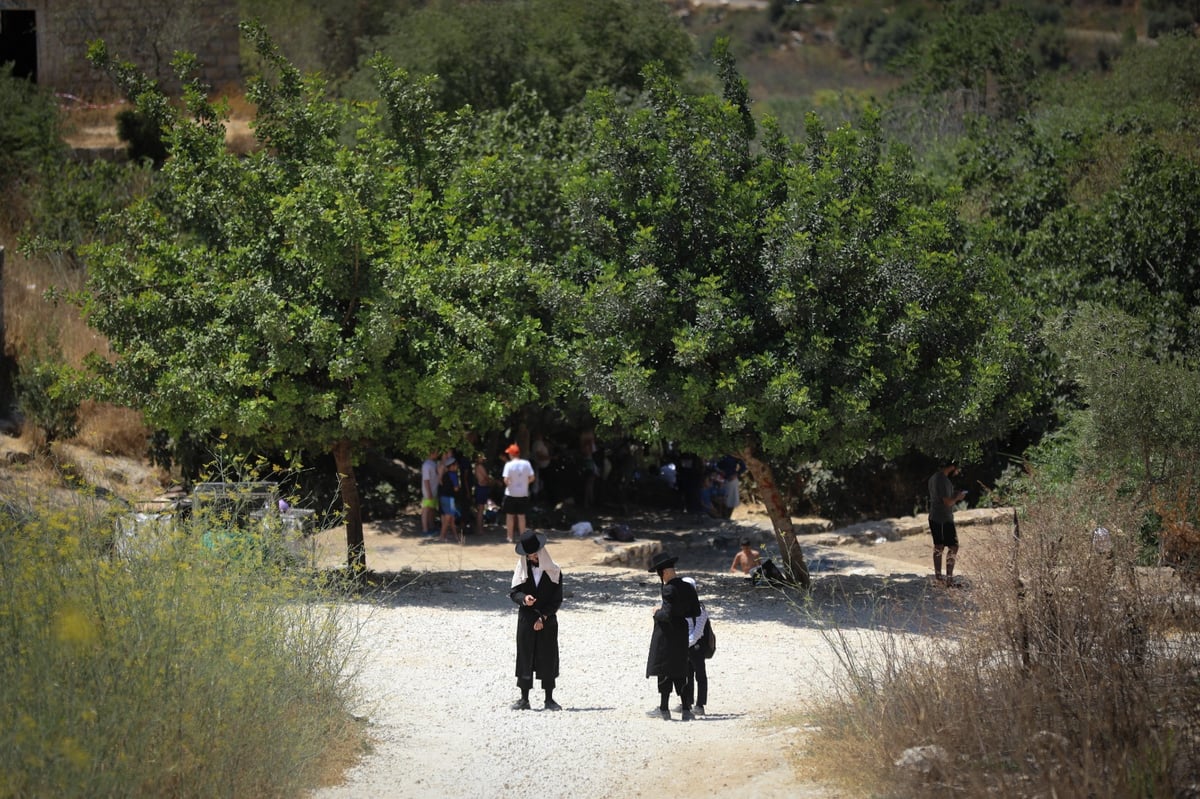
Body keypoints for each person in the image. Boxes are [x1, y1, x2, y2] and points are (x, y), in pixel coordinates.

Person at [509, 531, 563, 711]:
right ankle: (524, 699)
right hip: (526, 619)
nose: (531, 557)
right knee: (525, 656)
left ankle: (549, 699)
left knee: (548, 656)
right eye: (528, 554)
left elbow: (557, 600)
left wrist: (543, 617)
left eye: (534, 553)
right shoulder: (521, 569)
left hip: (547, 620)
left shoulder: (554, 571)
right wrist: (524, 599)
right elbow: (514, 593)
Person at [646, 551, 700, 721]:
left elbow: (667, 615)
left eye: (660, 573)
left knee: (664, 671)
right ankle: (686, 709)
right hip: (682, 633)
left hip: (667, 635)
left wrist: (656, 612)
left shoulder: (669, 589)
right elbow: (695, 611)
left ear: (665, 572)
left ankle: (664, 709)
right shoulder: (688, 587)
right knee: (681, 671)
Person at [928, 459, 968, 586]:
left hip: (937, 516)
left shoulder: (934, 477)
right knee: (950, 547)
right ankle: (946, 579)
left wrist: (954, 495)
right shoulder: (942, 480)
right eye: (957, 470)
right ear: (952, 467)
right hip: (942, 518)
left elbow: (942, 498)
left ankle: (941, 579)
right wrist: (958, 497)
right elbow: (947, 502)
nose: (957, 473)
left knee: (939, 546)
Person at [682, 576, 709, 716]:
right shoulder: (681, 607)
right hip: (685, 646)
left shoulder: (700, 609)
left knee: (700, 675)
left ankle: (700, 704)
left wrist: (685, 644)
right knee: (687, 675)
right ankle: (687, 702)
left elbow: (697, 632)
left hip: (696, 647)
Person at [501, 443, 535, 544]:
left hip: (511, 493)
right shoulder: (526, 463)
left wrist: (510, 484)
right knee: (521, 516)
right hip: (523, 494)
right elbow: (532, 477)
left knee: (510, 516)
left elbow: (506, 479)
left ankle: (510, 537)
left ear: (511, 454)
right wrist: (525, 483)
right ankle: (523, 538)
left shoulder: (508, 465)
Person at [438, 456, 462, 542]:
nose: (457, 466)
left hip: (443, 497)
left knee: (451, 518)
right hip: (449, 498)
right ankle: (442, 536)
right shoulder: (454, 475)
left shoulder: (445, 474)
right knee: (448, 517)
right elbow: (456, 488)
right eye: (455, 465)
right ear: (451, 466)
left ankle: (455, 536)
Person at [420, 449, 441, 536]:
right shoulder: (426, 465)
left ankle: (431, 527)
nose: (437, 454)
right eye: (436, 452)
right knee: (426, 510)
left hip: (434, 490)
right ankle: (425, 530)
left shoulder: (433, 463)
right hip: (428, 491)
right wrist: (429, 492)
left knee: (432, 510)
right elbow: (426, 480)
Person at [473, 453, 493, 535]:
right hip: (481, 488)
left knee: (480, 509)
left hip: (481, 488)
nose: (483, 459)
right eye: (481, 458)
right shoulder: (480, 467)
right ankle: (480, 529)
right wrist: (491, 481)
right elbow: (486, 477)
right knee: (480, 510)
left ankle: (480, 528)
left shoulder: (476, 467)